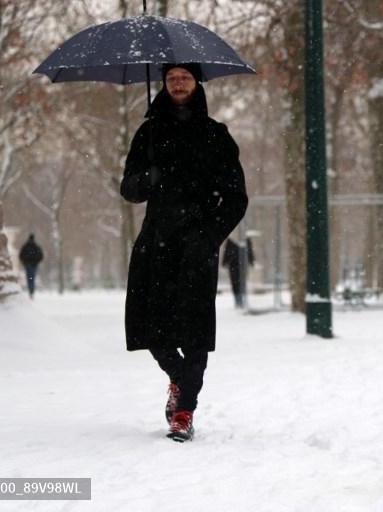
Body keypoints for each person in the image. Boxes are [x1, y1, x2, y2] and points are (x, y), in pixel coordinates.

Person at [120, 63, 248, 442]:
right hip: (155, 243)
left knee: (194, 334)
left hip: (197, 247)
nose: (178, 83)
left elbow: (237, 198)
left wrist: (210, 236)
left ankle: (184, 411)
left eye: (185, 78)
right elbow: (129, 189)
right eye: (172, 78)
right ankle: (177, 378)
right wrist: (148, 177)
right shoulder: (148, 133)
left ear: (196, 83)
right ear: (163, 83)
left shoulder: (216, 135)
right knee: (151, 328)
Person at [222, 237, 247, 308]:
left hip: (239, 267)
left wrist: (224, 262)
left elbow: (249, 252)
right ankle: (238, 301)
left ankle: (240, 301)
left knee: (239, 284)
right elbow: (226, 253)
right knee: (237, 284)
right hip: (235, 267)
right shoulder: (231, 242)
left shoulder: (243, 240)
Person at [19, 234, 44, 299]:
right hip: (32, 265)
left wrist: (25, 262)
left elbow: (21, 256)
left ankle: (31, 291)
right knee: (32, 278)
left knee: (30, 278)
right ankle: (31, 291)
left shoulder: (26, 246)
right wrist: (36, 262)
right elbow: (41, 256)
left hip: (29, 265)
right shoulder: (35, 246)